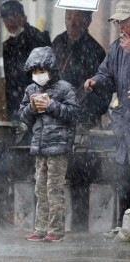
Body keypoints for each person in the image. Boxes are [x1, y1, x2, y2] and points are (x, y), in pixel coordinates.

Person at [52, 9, 112, 232]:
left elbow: (104, 93)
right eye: (68, 18)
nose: (72, 23)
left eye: (78, 19)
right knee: (53, 175)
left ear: (88, 21)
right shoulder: (57, 44)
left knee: (79, 176)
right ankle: (53, 226)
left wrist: (85, 112)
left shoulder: (96, 51)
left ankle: (78, 227)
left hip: (82, 126)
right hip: (57, 122)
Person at [19, 46, 80, 242]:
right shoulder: (31, 90)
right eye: (35, 72)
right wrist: (32, 108)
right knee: (40, 188)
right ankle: (40, 228)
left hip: (58, 147)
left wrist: (51, 105)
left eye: (42, 71)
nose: (38, 75)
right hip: (39, 147)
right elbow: (21, 116)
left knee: (54, 188)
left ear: (52, 70)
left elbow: (74, 114)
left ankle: (56, 229)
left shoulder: (65, 88)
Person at [84, 0, 130, 239]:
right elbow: (106, 74)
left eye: (124, 21)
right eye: (118, 22)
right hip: (124, 125)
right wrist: (96, 81)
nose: (120, 26)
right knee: (123, 177)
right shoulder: (115, 49)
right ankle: (124, 224)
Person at [0, 0, 51, 122]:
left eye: (14, 16)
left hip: (36, 108)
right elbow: (10, 82)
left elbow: (45, 78)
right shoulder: (7, 46)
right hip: (15, 107)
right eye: (6, 18)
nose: (10, 21)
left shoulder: (38, 38)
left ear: (24, 17)